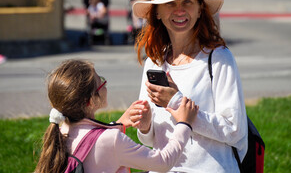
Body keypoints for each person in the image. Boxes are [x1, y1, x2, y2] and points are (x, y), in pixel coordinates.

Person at [130, 0, 248, 173]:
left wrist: (176, 101)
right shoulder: (154, 63)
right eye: (170, 4)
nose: (179, 10)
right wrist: (145, 125)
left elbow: (235, 129)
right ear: (157, 12)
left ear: (200, 9)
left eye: (187, 2)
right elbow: (149, 140)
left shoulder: (219, 58)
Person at [35, 59, 198, 173]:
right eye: (101, 82)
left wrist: (119, 123)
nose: (106, 85)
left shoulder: (61, 130)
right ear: (91, 101)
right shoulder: (112, 140)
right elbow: (163, 162)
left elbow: (93, 144)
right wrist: (184, 123)